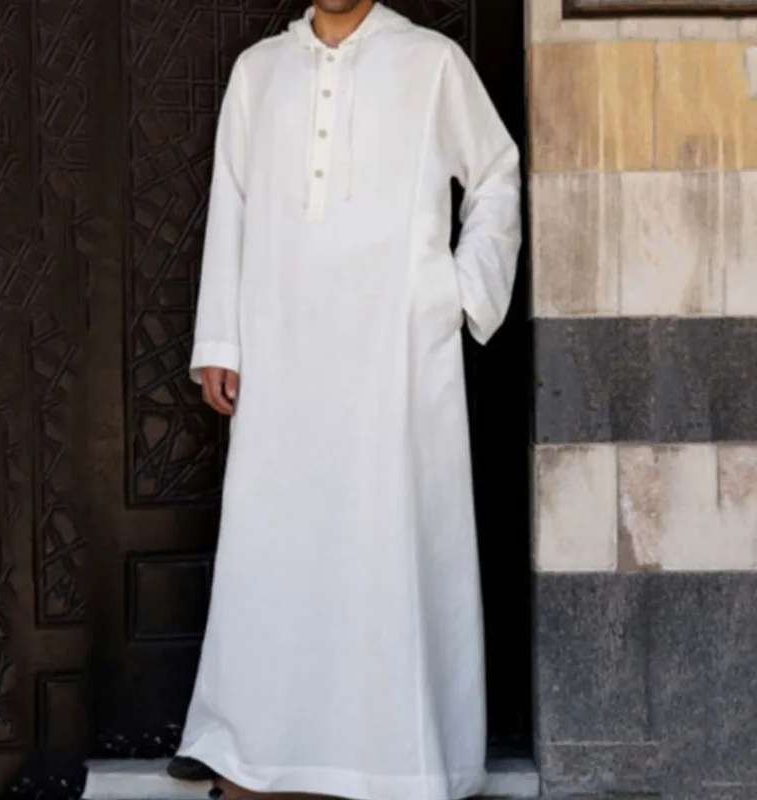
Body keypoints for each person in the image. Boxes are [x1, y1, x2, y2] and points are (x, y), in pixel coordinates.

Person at [168, 1, 521, 799]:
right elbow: (232, 202)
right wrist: (220, 338)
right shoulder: (259, 72)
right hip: (281, 347)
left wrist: (459, 292)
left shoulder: (431, 61)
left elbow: (496, 172)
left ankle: (397, 762)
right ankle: (260, 753)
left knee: (385, 540)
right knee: (277, 539)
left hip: (395, 357)